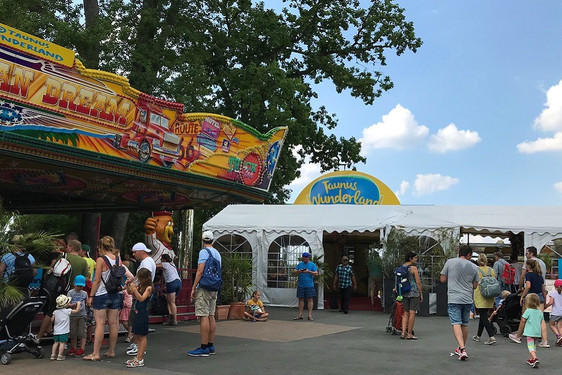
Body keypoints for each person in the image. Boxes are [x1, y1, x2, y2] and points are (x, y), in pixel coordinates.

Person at [83, 236, 133, 361]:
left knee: (100, 324)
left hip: (101, 294)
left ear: (100, 247)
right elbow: (126, 275)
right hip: (116, 293)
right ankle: (111, 351)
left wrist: (91, 296)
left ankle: (96, 353)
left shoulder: (101, 260)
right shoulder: (118, 259)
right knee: (113, 323)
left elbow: (97, 279)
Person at [440, 244, 479, 360]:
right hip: (467, 298)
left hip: (454, 297)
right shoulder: (474, 267)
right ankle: (461, 347)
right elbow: (475, 286)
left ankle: (462, 349)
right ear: (468, 255)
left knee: (456, 322)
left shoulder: (450, 262)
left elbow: (442, 279)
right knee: (465, 323)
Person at [187, 230, 221, 357]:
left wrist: (194, 287)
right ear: (212, 240)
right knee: (211, 314)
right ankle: (211, 345)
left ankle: (203, 346)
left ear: (202, 240)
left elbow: (200, 270)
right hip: (214, 287)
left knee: (203, 315)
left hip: (204, 286)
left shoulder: (203, 252)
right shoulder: (217, 253)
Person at [508, 259, 550, 347]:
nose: (525, 267)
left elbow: (528, 286)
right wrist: (545, 299)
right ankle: (544, 340)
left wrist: (522, 296)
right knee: (541, 319)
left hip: (530, 296)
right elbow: (543, 289)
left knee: (524, 316)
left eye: (526, 265)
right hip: (540, 297)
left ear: (529, 266)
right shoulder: (540, 276)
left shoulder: (528, 275)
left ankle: (518, 336)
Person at [126, 242, 157, 357]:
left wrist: (134, 288)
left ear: (141, 251)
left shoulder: (146, 263)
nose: (133, 254)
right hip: (140, 292)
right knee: (135, 321)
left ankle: (137, 346)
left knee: (137, 322)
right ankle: (136, 345)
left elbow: (144, 277)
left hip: (140, 294)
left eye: (135, 252)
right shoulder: (148, 261)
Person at [125, 268, 153, 368]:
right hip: (137, 312)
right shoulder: (140, 286)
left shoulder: (149, 288)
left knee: (142, 336)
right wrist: (129, 285)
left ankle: (140, 358)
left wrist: (134, 290)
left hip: (142, 313)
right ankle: (138, 357)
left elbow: (141, 298)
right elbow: (129, 292)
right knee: (137, 335)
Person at [472, 253, 497, 345]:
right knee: (483, 314)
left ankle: (491, 336)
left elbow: (474, 282)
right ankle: (478, 335)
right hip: (490, 294)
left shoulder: (476, 270)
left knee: (483, 315)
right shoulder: (492, 270)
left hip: (480, 294)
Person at [517, 293, 544, 368]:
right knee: (534, 345)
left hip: (530, 332)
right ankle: (531, 358)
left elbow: (523, 320)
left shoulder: (528, 311)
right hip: (537, 332)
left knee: (530, 346)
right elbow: (541, 320)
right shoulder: (539, 312)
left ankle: (535, 358)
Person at [400, 251, 422, 340]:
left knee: (405, 313)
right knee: (412, 312)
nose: (416, 259)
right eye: (415, 258)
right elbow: (418, 282)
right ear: (410, 258)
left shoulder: (402, 267)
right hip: (414, 292)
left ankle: (402, 333)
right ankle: (409, 333)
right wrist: (421, 293)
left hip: (404, 292)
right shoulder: (413, 268)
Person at [51, 294, 81, 361]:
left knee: (55, 342)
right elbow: (76, 311)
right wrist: (78, 304)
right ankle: (60, 355)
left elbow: (52, 320)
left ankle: (53, 355)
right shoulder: (67, 311)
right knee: (62, 343)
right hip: (64, 331)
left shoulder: (55, 312)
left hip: (56, 331)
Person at [292, 252, 318, 321]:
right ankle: (300, 314)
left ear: (309, 258)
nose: (306, 259)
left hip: (309, 285)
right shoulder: (300, 264)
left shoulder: (312, 264)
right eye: (304, 258)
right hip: (301, 284)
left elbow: (316, 273)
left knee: (310, 299)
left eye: (307, 258)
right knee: (301, 299)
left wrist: (309, 271)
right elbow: (294, 272)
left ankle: (309, 315)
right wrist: (299, 271)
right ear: (303, 258)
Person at [67, 275, 88, 357]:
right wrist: (72, 305)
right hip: (73, 314)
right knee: (73, 332)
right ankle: (73, 347)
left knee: (82, 332)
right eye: (78, 286)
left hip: (82, 314)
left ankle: (82, 348)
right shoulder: (70, 292)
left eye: (81, 286)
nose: (80, 288)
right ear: (74, 284)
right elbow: (68, 303)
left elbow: (86, 303)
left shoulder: (85, 293)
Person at [159, 253, 181, 325]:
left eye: (161, 259)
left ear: (164, 259)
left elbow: (155, 265)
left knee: (172, 302)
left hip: (171, 282)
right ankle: (171, 317)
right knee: (169, 300)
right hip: (178, 282)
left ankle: (174, 320)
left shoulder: (165, 264)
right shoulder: (172, 264)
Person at [544, 279, 562, 346]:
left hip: (555, 313)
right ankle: (561, 339)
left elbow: (551, 302)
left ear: (555, 286)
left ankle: (558, 336)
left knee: (551, 325)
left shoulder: (553, 293)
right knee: (560, 326)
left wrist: (545, 306)